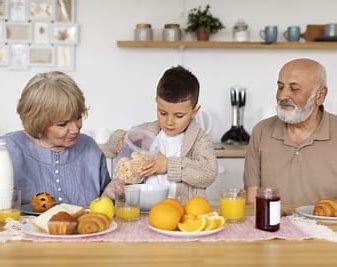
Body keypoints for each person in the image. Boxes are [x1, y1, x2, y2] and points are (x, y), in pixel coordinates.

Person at [103, 66, 217, 200]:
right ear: (156, 103)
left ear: (194, 112)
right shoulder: (148, 131)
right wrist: (120, 138)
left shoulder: (199, 140)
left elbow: (208, 173)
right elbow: (112, 143)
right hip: (145, 210)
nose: (169, 121)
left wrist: (168, 165)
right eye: (162, 113)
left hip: (183, 212)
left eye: (179, 115)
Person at [2, 71, 110, 206]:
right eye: (63, 124)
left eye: (78, 117)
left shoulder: (89, 147)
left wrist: (111, 193)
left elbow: (104, 204)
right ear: (39, 124)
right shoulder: (7, 150)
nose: (76, 129)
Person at [244, 58, 337, 205]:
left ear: (320, 95)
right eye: (280, 87)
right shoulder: (261, 131)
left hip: (328, 227)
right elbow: (252, 200)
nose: (282, 96)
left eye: (294, 89)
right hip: (273, 227)